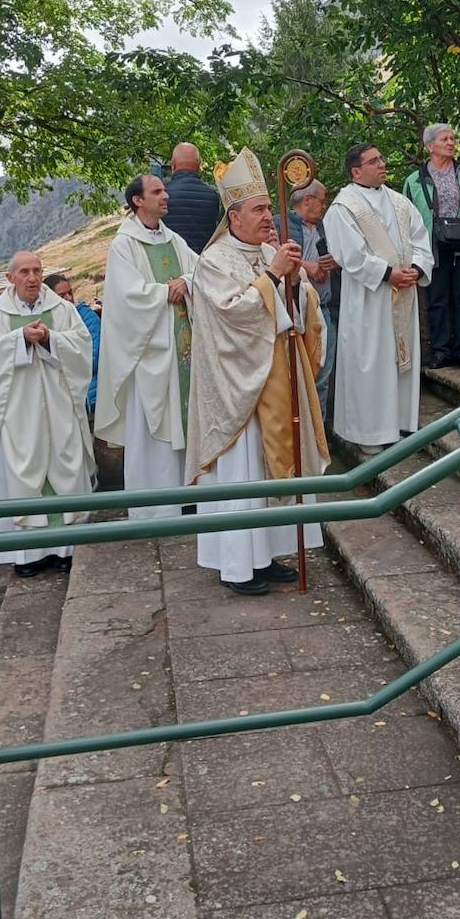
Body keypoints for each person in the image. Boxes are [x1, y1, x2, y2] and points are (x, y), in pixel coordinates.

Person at [185, 147, 328, 596]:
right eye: (260, 209)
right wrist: (273, 276)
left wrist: (295, 286)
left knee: (272, 472)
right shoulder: (214, 262)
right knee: (243, 474)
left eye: (270, 207)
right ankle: (238, 566)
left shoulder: (271, 249)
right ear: (234, 217)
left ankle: (265, 555)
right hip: (238, 393)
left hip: (277, 378)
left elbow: (306, 306)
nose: (270, 217)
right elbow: (233, 316)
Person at [0, 251, 94, 576]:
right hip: (19, 416)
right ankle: (30, 555)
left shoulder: (62, 309)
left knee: (64, 471)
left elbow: (82, 346)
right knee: (24, 477)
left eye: (37, 270)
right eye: (24, 271)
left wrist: (51, 338)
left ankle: (67, 549)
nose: (33, 278)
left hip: (59, 410)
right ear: (10, 278)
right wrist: (17, 340)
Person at [95, 176, 197, 520]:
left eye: (164, 190)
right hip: (150, 356)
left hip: (182, 351)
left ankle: (189, 497)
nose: (166, 196)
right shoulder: (124, 244)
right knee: (153, 434)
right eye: (157, 191)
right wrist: (163, 292)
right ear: (138, 201)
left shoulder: (173, 239)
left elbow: (201, 271)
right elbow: (126, 297)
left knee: (186, 423)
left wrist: (187, 283)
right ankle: (155, 509)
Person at [324, 143, 434, 451]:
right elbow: (349, 254)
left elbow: (420, 239)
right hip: (368, 301)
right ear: (356, 171)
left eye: (382, 158)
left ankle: (398, 424)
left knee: (398, 361)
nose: (382, 164)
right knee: (369, 364)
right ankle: (368, 434)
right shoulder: (343, 208)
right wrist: (388, 274)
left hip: (402, 294)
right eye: (374, 161)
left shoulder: (399, 202)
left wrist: (415, 267)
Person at [403, 125, 460, 370]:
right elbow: (406, 220)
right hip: (432, 248)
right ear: (430, 146)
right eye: (445, 139)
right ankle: (440, 351)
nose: (451, 143)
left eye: (453, 138)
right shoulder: (414, 180)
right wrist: (409, 254)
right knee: (437, 300)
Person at [276, 180, 340, 418]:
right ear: (307, 200)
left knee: (322, 376)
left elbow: (338, 259)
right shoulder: (279, 223)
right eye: (321, 200)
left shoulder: (325, 228)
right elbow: (271, 257)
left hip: (323, 310)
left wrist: (331, 262)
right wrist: (307, 266)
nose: (324, 205)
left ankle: (319, 437)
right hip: (292, 314)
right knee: (293, 378)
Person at [44, 275, 101, 421]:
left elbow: (94, 358)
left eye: (70, 292)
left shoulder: (87, 317)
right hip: (59, 401)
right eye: (62, 295)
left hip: (90, 397)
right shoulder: (45, 320)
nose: (69, 298)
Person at [164, 142, 222, 254]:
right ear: (199, 166)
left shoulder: (162, 194)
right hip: (201, 262)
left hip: (170, 261)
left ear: (173, 164)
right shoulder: (212, 196)